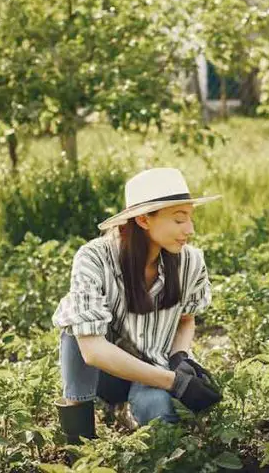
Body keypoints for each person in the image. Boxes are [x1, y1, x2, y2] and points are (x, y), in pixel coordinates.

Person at [52, 167, 223, 444]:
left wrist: (179, 358)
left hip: (155, 367)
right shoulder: (94, 258)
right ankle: (78, 444)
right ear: (143, 220)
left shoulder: (191, 262)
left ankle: (132, 415)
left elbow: (186, 319)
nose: (190, 230)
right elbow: (92, 351)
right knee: (75, 331)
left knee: (160, 414)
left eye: (190, 218)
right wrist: (174, 382)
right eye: (179, 220)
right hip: (105, 373)